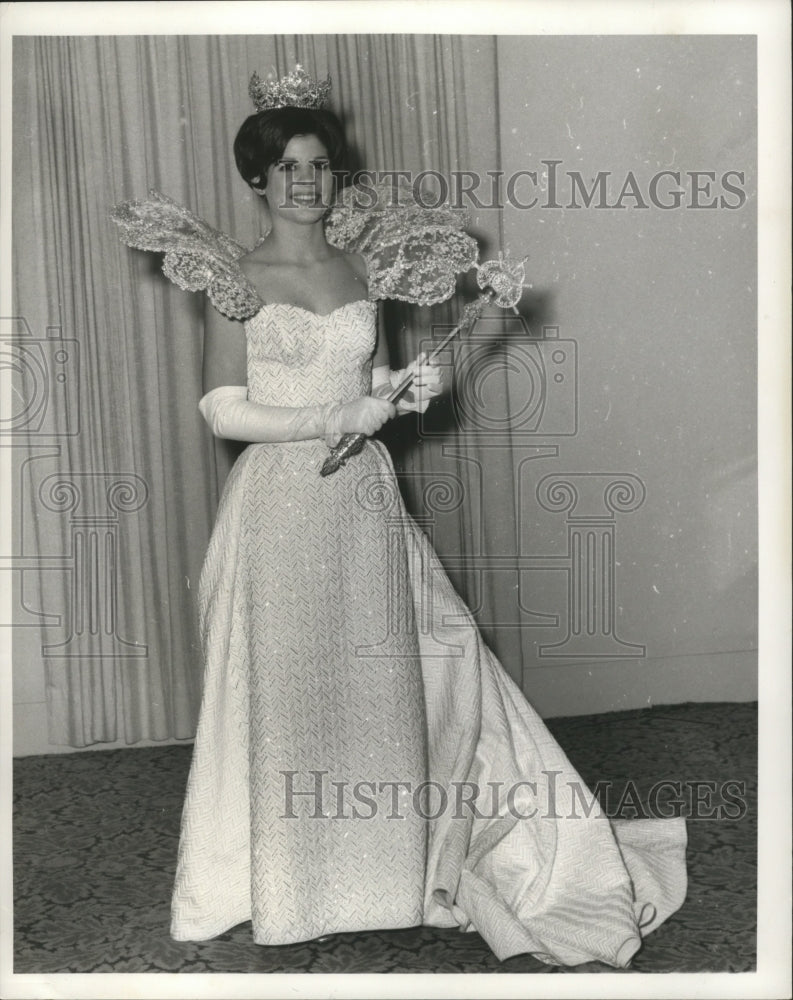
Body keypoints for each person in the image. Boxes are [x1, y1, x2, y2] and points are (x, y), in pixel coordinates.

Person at [164, 69, 688, 967]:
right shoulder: (235, 279)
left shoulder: (359, 266)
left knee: (381, 685)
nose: (306, 180)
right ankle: (290, 884)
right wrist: (330, 417)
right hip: (282, 505)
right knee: (291, 693)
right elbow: (222, 408)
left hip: (361, 502)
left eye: (320, 164)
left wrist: (399, 389)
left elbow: (366, 380)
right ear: (257, 178)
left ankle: (386, 874)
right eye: (288, 166)